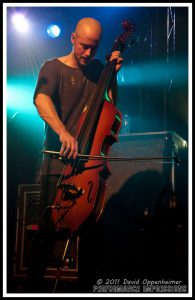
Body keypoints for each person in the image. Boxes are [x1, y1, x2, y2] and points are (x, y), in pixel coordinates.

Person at [26, 17, 123, 293]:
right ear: (72, 38)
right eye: (83, 47)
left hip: (88, 170)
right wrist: (62, 132)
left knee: (92, 239)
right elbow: (41, 100)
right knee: (46, 236)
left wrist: (112, 74)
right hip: (57, 165)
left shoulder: (97, 71)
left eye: (94, 48)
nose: (88, 54)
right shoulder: (52, 68)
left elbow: (110, 105)